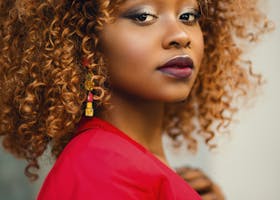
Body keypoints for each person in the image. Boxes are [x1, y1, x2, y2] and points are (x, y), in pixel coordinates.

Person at [0, 0, 271, 199]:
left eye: (188, 16)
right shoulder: (99, 169)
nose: (180, 35)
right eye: (143, 16)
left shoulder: (123, 161)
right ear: (86, 45)